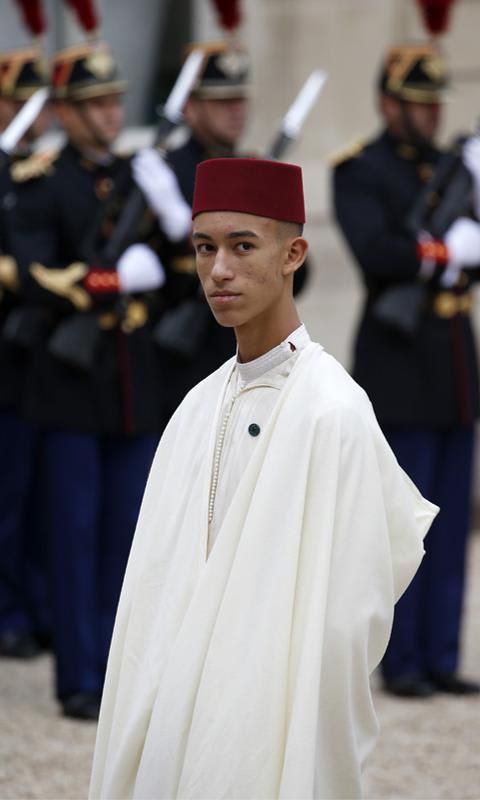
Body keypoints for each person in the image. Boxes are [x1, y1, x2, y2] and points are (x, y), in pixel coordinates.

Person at [89, 157, 438, 800]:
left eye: (243, 246)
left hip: (264, 729)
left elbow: (346, 623)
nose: (219, 270)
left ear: (292, 254)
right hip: (173, 721)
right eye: (204, 247)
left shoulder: (332, 411)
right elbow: (153, 594)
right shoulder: (194, 408)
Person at [8, 42, 191, 719]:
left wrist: (178, 223)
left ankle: (130, 673)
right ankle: (82, 678)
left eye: (116, 102)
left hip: (132, 386)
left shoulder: (140, 175)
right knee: (75, 538)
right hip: (70, 384)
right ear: (63, 111)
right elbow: (36, 277)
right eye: (95, 105)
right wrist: (113, 278)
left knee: (134, 539)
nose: (111, 115)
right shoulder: (41, 181)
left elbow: (184, 276)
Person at [332, 43, 480, 697]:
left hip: (452, 356)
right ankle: (403, 658)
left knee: (450, 523)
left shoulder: (457, 167)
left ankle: (442, 656)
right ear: (388, 103)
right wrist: (442, 248)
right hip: (399, 360)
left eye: (435, 102)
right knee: (404, 525)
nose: (430, 113)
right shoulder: (361, 170)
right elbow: (378, 250)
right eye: (418, 103)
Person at [136, 41, 308, 419]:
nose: (235, 112)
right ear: (190, 107)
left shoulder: (255, 167)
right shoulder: (164, 172)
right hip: (180, 350)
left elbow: (300, 271)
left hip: (245, 347)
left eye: (239, 100)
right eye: (220, 102)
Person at [0, 46, 51, 658]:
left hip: (39, 348)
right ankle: (9, 610)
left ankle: (35, 608)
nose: (31, 114)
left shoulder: (38, 170)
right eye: (18, 101)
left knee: (38, 495)